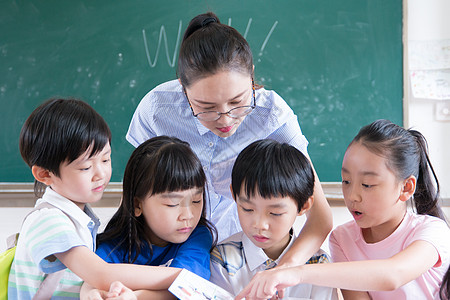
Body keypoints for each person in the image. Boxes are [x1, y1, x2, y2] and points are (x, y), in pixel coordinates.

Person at [126, 11, 332, 267]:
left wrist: (284, 270)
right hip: (166, 251)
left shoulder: (273, 117)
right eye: (206, 107)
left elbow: (320, 219)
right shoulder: (157, 109)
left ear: (252, 76)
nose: (225, 119)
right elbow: (140, 197)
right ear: (182, 86)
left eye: (238, 102)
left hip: (243, 253)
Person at [236, 119, 450, 300]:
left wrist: (295, 273)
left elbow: (393, 275)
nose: (352, 196)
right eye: (346, 181)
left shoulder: (433, 231)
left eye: (367, 185)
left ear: (406, 188)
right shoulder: (342, 238)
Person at [8, 99, 184, 299]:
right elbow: (101, 274)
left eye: (105, 159)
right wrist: (182, 275)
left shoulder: (78, 217)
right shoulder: (48, 220)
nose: (100, 173)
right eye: (85, 167)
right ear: (45, 174)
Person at [82, 136, 217, 299]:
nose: (188, 215)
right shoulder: (120, 242)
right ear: (138, 205)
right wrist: (93, 293)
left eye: (196, 200)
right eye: (172, 204)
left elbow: (186, 288)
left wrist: (134, 296)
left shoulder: (198, 236)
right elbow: (92, 279)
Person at [210, 139, 338, 299]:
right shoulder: (222, 258)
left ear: (304, 206)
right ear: (234, 195)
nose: (259, 224)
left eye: (275, 213)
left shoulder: (319, 265)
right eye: (247, 209)